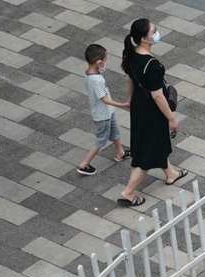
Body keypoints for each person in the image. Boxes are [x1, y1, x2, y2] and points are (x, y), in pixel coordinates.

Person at [119, 18, 187, 207]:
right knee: (147, 153)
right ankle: (128, 191)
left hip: (140, 108)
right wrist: (171, 118)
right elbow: (158, 96)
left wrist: (131, 99)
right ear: (144, 39)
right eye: (153, 31)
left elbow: (128, 80)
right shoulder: (151, 65)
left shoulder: (131, 56)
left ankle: (170, 173)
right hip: (152, 111)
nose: (156, 33)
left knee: (153, 143)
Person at [78, 44, 130, 175]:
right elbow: (104, 99)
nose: (105, 62)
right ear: (99, 62)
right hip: (102, 115)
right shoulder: (95, 80)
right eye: (105, 60)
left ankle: (120, 153)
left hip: (108, 112)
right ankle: (84, 164)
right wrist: (123, 104)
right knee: (101, 139)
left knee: (116, 132)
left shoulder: (90, 74)